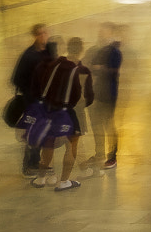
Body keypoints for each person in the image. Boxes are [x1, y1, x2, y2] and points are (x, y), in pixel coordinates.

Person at [25, 36, 95, 190]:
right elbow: (85, 96)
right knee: (72, 146)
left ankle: (41, 178)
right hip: (69, 112)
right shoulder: (80, 69)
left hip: (49, 111)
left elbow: (38, 87)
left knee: (48, 143)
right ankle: (64, 181)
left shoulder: (51, 66)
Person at [11, 23, 56, 175]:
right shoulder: (28, 55)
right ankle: (29, 165)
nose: (43, 36)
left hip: (46, 101)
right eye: (40, 34)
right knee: (33, 133)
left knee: (41, 132)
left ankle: (36, 163)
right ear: (35, 36)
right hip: (33, 102)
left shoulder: (49, 51)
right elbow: (16, 79)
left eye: (45, 33)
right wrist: (31, 92)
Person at [86, 22, 122, 170]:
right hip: (97, 92)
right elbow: (90, 65)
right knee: (96, 124)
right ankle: (99, 153)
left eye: (104, 31)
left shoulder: (114, 51)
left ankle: (112, 156)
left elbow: (112, 71)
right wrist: (98, 68)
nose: (101, 34)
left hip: (109, 93)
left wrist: (99, 69)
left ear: (111, 33)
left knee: (108, 124)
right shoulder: (98, 50)